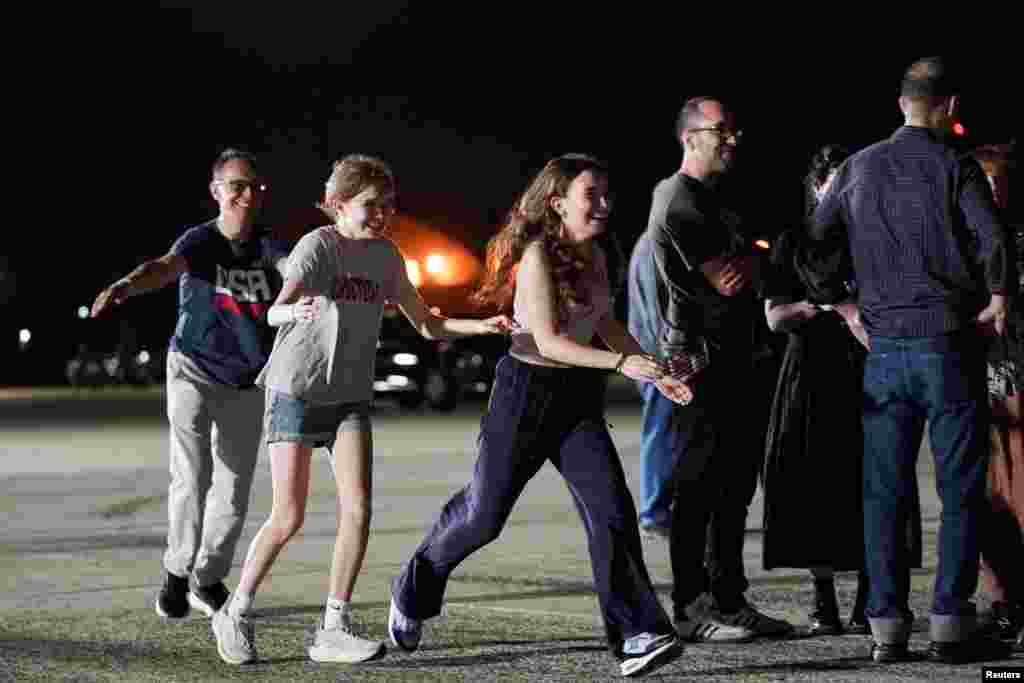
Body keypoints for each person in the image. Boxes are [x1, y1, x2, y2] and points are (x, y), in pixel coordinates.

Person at [388, 154, 688, 678]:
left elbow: (606, 324)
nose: (604, 203)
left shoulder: (599, 252)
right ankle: (412, 590)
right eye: (590, 194)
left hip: (578, 399)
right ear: (557, 203)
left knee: (612, 511)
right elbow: (549, 342)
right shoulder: (536, 257)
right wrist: (623, 363)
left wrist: (653, 367)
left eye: (606, 193)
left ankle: (636, 633)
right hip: (526, 392)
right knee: (484, 516)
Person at [209, 154, 513, 666]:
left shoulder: (387, 257)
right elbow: (278, 308)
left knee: (359, 507)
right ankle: (235, 611)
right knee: (289, 514)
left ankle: (333, 626)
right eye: (372, 205)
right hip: (296, 390)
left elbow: (427, 323)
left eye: (389, 206)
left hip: (348, 397)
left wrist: (482, 327)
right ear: (338, 204)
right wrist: (295, 310)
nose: (383, 215)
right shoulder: (318, 246)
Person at [806, 57, 1015, 664]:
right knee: (960, 490)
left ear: (901, 104)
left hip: (884, 351)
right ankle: (950, 622)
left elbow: (813, 244)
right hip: (947, 344)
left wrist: (842, 304)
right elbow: (993, 238)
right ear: (949, 107)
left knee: (884, 493)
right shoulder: (956, 166)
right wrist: (999, 295)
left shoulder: (857, 168)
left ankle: (887, 627)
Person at [90, 148, 286, 621]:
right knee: (193, 474)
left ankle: (207, 577)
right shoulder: (200, 241)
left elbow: (293, 269)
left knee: (235, 489)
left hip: (246, 377)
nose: (245, 194)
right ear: (216, 192)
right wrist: (124, 286)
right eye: (235, 185)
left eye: (253, 186)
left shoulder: (267, 244)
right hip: (194, 368)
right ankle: (176, 575)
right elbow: (163, 267)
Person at [644, 97, 793, 643]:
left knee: (733, 486)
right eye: (720, 131)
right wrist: (762, 259)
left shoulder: (716, 197)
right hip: (701, 360)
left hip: (738, 357)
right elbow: (731, 278)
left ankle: (729, 599)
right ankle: (690, 606)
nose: (732, 139)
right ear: (689, 137)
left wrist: (760, 259)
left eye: (734, 130)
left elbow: (758, 261)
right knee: (699, 484)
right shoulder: (678, 199)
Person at [761, 145, 924, 637]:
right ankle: (823, 598)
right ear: (816, 187)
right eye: (833, 183)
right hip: (811, 370)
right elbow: (774, 316)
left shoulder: (880, 239)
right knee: (815, 482)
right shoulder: (793, 242)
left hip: (868, 368)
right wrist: (821, 308)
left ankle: (872, 596)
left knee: (873, 478)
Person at [974, 141, 1024, 644]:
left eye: (998, 181)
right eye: (982, 182)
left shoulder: (1018, 239)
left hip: (1017, 383)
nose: (990, 191)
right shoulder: (965, 244)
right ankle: (1004, 602)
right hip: (980, 384)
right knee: (988, 501)